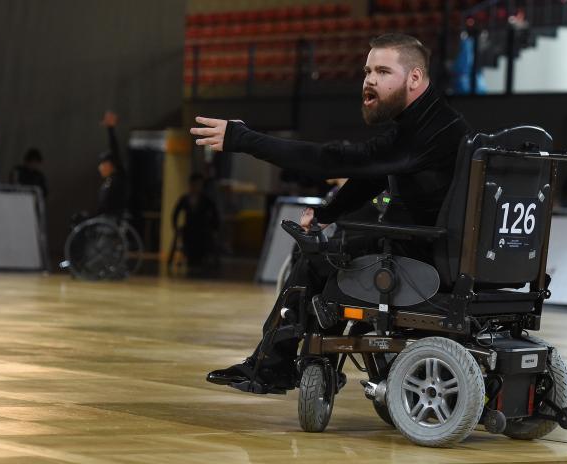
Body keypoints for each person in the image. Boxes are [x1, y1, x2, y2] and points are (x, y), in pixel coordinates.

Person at [191, 33, 470, 393]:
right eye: (367, 70)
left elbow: (332, 160)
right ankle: (305, 355)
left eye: (383, 71)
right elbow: (373, 176)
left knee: (317, 258)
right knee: (333, 247)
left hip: (421, 258)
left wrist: (244, 139)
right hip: (433, 249)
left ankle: (274, 366)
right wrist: (329, 212)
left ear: (414, 78)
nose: (369, 79)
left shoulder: (425, 132)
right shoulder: (436, 123)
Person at [171, 173, 221, 276]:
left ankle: (200, 264)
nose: (196, 187)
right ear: (190, 185)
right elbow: (175, 213)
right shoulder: (185, 198)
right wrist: (175, 227)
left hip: (202, 230)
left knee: (203, 243)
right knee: (188, 243)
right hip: (189, 229)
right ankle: (191, 262)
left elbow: (215, 214)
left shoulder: (206, 199)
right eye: (194, 184)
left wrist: (214, 228)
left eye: (199, 185)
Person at [96, 111, 127, 217]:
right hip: (104, 222)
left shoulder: (118, 177)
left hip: (114, 223)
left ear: (110, 164)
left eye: (103, 164)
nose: (100, 167)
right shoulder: (107, 181)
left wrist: (110, 129)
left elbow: (114, 150)